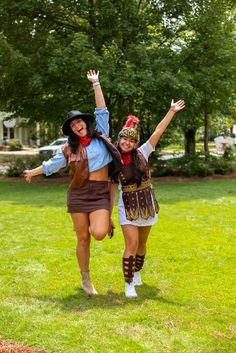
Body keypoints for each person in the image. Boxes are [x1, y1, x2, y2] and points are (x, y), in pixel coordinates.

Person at [23, 70, 121, 296]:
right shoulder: (69, 149)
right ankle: (86, 280)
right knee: (83, 238)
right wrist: (33, 172)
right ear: (71, 130)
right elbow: (51, 165)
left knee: (98, 233)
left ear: (86, 122)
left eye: (79, 121)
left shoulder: (101, 135)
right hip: (78, 193)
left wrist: (96, 83)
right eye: (73, 125)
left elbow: (102, 111)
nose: (77, 125)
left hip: (99, 192)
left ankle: (104, 220)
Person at [112, 99, 185, 297]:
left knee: (142, 245)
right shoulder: (113, 160)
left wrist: (171, 111)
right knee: (131, 244)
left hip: (146, 203)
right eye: (124, 140)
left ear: (135, 143)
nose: (127, 143)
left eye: (131, 140)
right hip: (126, 205)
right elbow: (110, 188)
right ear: (119, 140)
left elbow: (158, 132)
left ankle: (136, 273)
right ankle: (128, 284)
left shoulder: (143, 152)